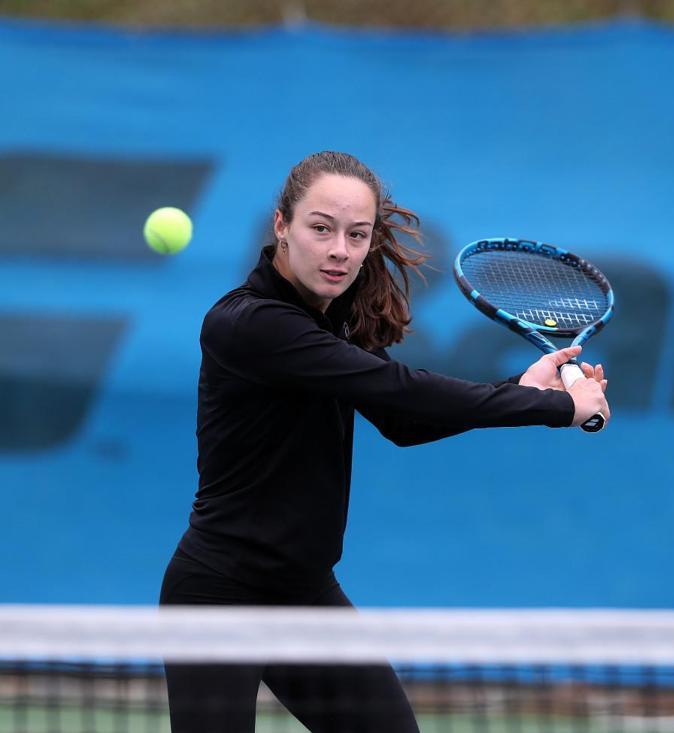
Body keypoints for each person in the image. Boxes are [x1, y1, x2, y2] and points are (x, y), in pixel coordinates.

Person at [159, 151, 610, 732]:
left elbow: (403, 421)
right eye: (320, 229)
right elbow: (399, 389)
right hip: (217, 598)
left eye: (356, 234)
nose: (339, 250)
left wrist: (519, 386)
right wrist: (552, 407)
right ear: (281, 226)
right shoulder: (250, 324)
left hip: (303, 593)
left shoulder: (332, 322)